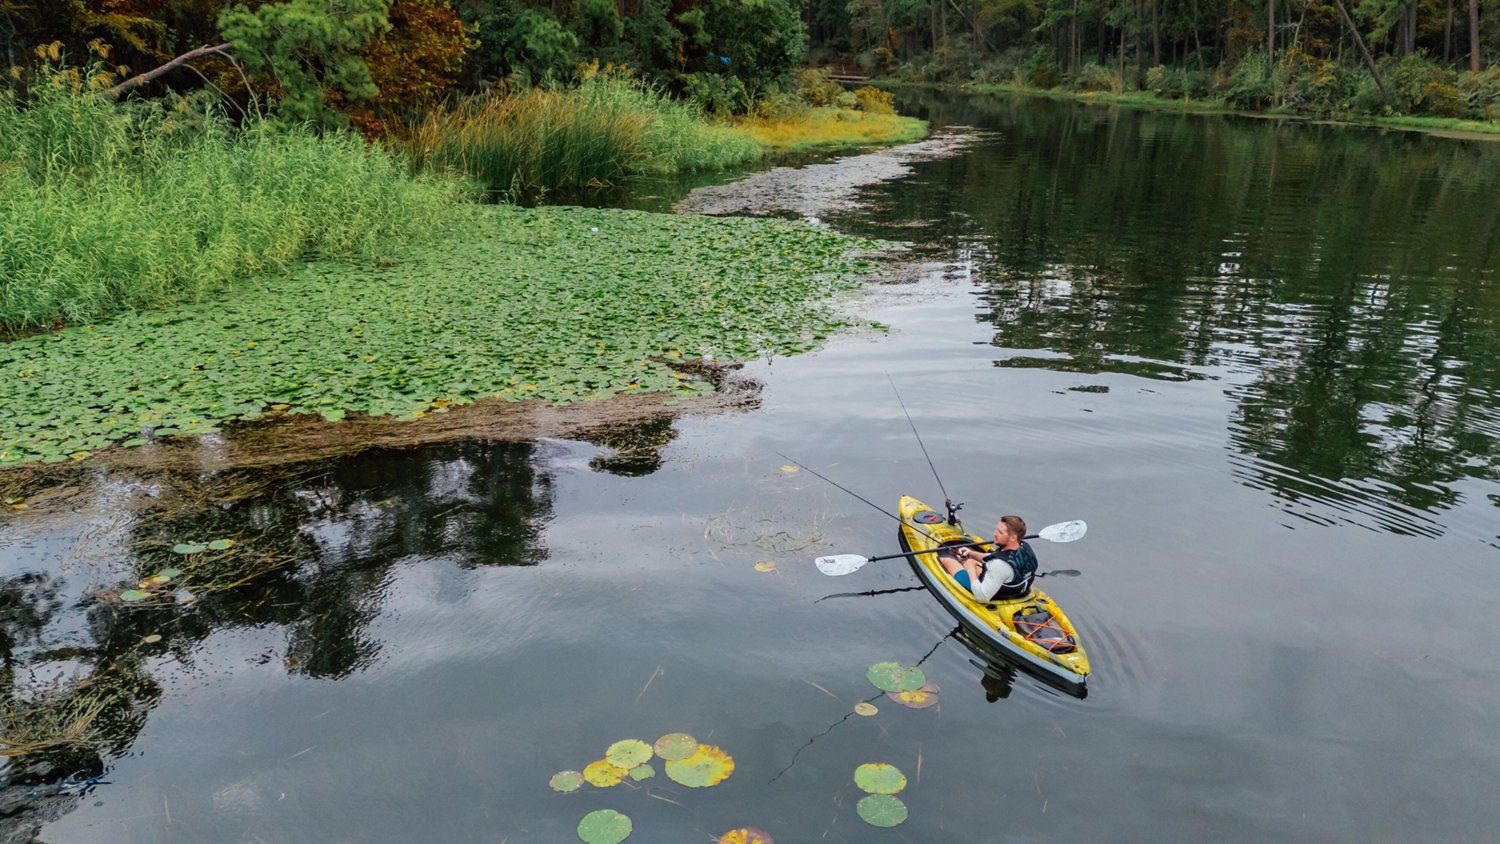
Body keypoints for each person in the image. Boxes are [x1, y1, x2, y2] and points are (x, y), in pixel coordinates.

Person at [937, 515, 1037, 601]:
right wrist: (971, 553)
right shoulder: (1025, 547)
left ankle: (948, 563)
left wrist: (970, 568)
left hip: (993, 594)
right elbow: (995, 557)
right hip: (1016, 589)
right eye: (996, 530)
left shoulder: (999, 565)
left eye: (1000, 532)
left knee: (947, 560)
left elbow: (982, 597)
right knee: (971, 560)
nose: (995, 534)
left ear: (1013, 537)